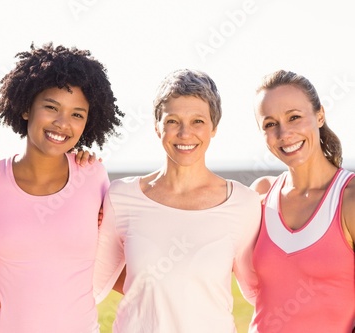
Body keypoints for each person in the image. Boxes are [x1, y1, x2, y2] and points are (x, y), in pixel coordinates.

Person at [0, 43, 124, 332]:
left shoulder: (93, 176)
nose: (62, 123)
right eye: (51, 107)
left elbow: (117, 253)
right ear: (26, 108)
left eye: (77, 114)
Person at [90, 68, 262, 332]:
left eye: (197, 121)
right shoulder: (121, 197)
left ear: (214, 127)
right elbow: (89, 284)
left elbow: (262, 294)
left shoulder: (243, 204)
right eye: (172, 121)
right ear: (157, 126)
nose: (184, 133)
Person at [248, 70, 355, 332]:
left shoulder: (349, 199)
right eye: (270, 124)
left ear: (320, 115)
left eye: (294, 117)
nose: (284, 133)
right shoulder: (260, 194)